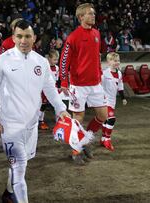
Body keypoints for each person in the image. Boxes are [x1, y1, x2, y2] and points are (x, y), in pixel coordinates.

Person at [0, 20, 69, 203]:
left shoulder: (41, 62)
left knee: (20, 165)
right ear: (13, 37)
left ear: (34, 38)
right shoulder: (2, 60)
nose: (24, 40)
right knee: (19, 167)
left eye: (28, 36)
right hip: (10, 125)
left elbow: (50, 88)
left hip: (32, 126)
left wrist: (61, 109)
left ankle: (8, 193)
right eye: (20, 36)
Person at [59, 3, 108, 158]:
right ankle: (76, 148)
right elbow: (64, 61)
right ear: (81, 17)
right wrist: (64, 82)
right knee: (78, 118)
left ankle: (85, 139)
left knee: (103, 116)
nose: (93, 16)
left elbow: (97, 57)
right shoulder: (73, 37)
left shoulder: (96, 33)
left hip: (95, 84)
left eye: (93, 13)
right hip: (78, 85)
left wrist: (99, 72)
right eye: (89, 13)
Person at [101, 52, 127, 151]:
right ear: (108, 62)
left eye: (118, 61)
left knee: (106, 120)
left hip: (112, 101)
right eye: (114, 61)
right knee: (112, 119)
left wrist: (123, 98)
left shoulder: (119, 73)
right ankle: (107, 139)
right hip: (104, 100)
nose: (117, 62)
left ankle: (103, 138)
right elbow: (98, 85)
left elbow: (120, 87)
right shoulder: (104, 73)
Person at [39, 49, 60, 130]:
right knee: (42, 105)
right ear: (49, 59)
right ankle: (40, 121)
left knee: (56, 104)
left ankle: (59, 120)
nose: (56, 61)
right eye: (54, 59)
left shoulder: (57, 68)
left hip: (53, 89)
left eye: (57, 59)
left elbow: (56, 79)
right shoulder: (44, 67)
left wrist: (57, 87)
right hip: (44, 89)